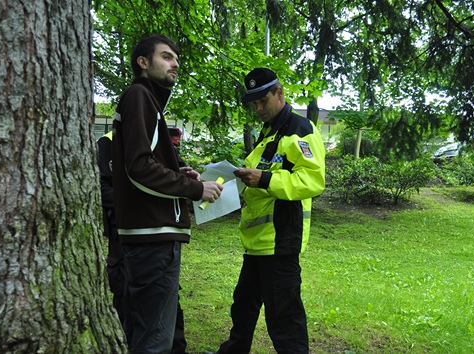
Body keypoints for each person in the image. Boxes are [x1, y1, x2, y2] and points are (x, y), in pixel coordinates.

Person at [110, 34, 223, 354]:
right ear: (143, 63)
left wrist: (179, 172)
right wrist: (195, 188)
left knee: (155, 334)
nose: (175, 64)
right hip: (153, 238)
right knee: (155, 340)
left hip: (149, 236)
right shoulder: (139, 95)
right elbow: (139, 167)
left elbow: (143, 162)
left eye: (176, 59)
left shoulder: (146, 100)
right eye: (166, 57)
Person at [209, 68, 326, 354]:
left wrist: (263, 179)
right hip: (258, 244)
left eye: (263, 100)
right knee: (244, 307)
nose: (258, 108)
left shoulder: (299, 130)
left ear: (280, 93)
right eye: (254, 103)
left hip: (280, 242)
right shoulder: (269, 133)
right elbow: (260, 183)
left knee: (284, 319)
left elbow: (312, 181)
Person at [97, 130, 189, 354]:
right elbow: (102, 189)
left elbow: (175, 175)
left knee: (167, 297)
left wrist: (184, 176)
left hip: (160, 238)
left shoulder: (156, 138)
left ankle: (177, 349)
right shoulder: (110, 142)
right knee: (125, 296)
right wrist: (143, 203)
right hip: (126, 236)